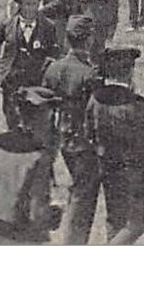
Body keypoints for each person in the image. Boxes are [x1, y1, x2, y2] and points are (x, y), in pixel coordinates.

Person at [0, 85, 65, 245]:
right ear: (46, 116)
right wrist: (55, 214)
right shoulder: (39, 158)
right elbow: (37, 215)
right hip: (20, 238)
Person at [84, 46, 144, 245]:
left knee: (115, 218)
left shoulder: (95, 99)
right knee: (137, 223)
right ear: (129, 71)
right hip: (133, 170)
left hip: (107, 166)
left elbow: (88, 132)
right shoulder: (135, 103)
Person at [43, 15, 102, 244]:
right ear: (88, 40)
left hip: (59, 136)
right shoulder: (90, 73)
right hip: (83, 141)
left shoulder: (53, 68)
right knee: (84, 194)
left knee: (78, 189)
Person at [0, 0, 61, 128]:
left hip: (36, 83)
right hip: (12, 83)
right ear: (20, 5)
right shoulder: (6, 26)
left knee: (37, 123)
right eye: (27, 4)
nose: (31, 8)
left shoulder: (48, 27)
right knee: (12, 122)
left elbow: (54, 55)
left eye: (34, 4)